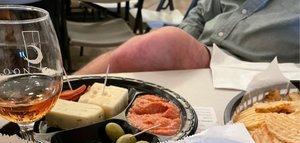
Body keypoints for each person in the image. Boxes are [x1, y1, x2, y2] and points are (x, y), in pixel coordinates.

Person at [77, 0, 299, 74]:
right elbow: (201, 11)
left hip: (267, 72)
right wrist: (185, 43)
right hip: (206, 55)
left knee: (164, 42)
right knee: (163, 45)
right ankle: (63, 94)